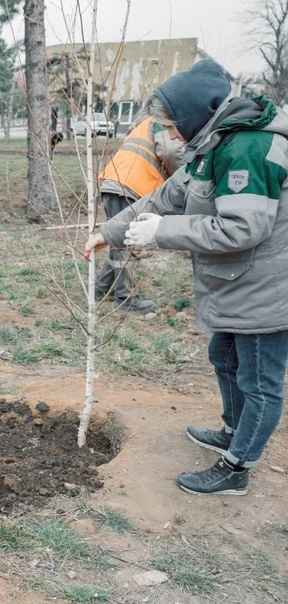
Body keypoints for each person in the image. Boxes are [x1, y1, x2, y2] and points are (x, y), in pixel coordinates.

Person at [84, 59, 288, 496]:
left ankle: (238, 467)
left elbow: (243, 228)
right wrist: (110, 231)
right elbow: (167, 195)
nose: (171, 136)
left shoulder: (247, 149)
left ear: (197, 113)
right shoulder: (215, 144)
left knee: (260, 381)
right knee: (225, 357)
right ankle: (235, 431)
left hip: (268, 289)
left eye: (173, 126)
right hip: (242, 283)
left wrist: (163, 233)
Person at [95, 113, 185, 311]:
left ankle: (100, 288)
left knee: (119, 243)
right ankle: (126, 299)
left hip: (115, 182)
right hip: (133, 185)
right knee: (128, 246)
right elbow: (171, 153)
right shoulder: (164, 122)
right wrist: (184, 178)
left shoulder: (145, 123)